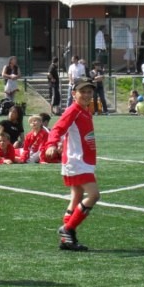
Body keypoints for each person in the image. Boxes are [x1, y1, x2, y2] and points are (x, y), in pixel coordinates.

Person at [44, 79, 100, 251]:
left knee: (76, 196)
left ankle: (66, 239)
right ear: (74, 94)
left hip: (83, 160)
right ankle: (68, 229)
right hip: (77, 161)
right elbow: (57, 128)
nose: (87, 95)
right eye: (83, 92)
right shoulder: (74, 110)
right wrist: (51, 144)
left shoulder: (85, 110)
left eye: (89, 92)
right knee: (94, 195)